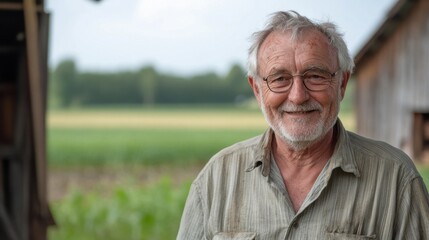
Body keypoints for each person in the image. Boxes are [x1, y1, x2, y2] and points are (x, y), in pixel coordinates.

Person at [177, 11, 429, 239]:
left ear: (341, 84)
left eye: (315, 76)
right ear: (257, 90)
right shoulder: (216, 178)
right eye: (280, 78)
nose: (298, 96)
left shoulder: (396, 178)